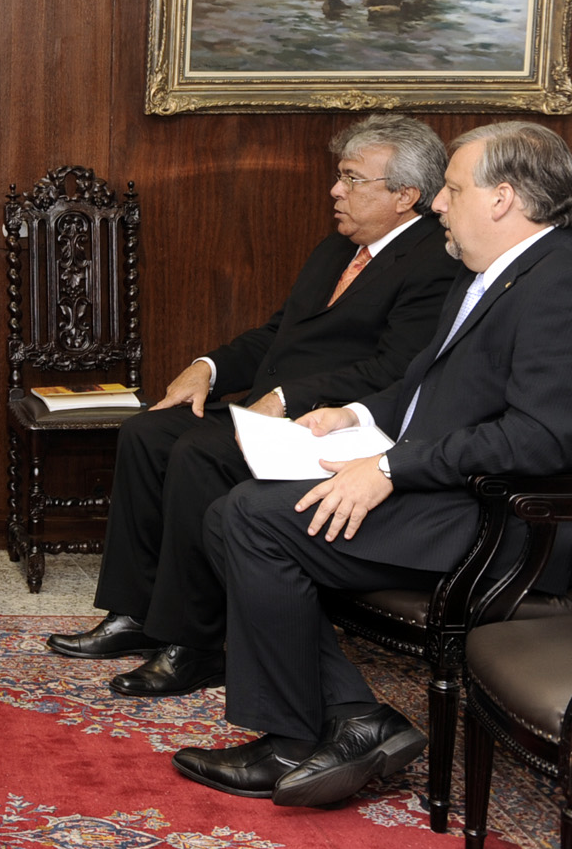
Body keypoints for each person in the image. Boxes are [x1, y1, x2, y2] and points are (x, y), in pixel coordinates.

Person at [175, 121, 572, 807]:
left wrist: (390, 470)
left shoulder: (557, 283)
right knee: (231, 512)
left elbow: (540, 438)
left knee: (251, 520)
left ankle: (301, 738)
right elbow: (422, 384)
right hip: (445, 489)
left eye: (450, 190)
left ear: (503, 197)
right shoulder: (488, 269)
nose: (439, 205)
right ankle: (355, 718)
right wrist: (352, 419)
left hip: (502, 521)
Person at [47, 115, 461, 697]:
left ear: (404, 196)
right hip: (271, 411)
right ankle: (135, 614)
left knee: (196, 452)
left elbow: (396, 370)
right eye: (338, 176)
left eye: (351, 178)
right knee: (148, 432)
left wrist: (289, 397)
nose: (335, 191)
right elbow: (276, 335)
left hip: (336, 427)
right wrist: (207, 368)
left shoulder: (433, 264)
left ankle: (195, 644)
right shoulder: (338, 248)